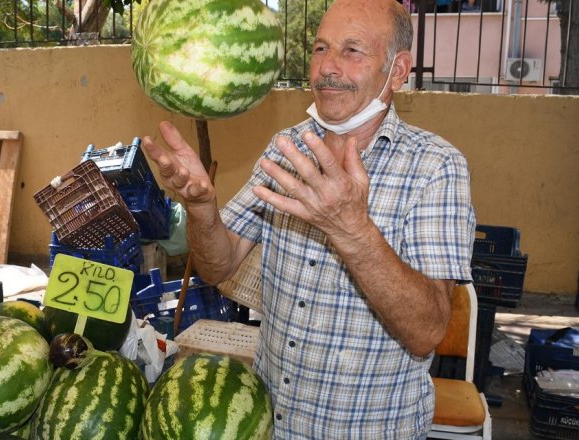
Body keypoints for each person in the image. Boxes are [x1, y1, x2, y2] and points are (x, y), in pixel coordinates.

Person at [141, 0, 475, 438]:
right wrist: (202, 210)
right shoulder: (287, 147)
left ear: (397, 70)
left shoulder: (437, 167)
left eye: (352, 51)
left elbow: (427, 331)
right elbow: (218, 266)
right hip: (271, 426)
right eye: (320, 48)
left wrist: (350, 229)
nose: (327, 68)